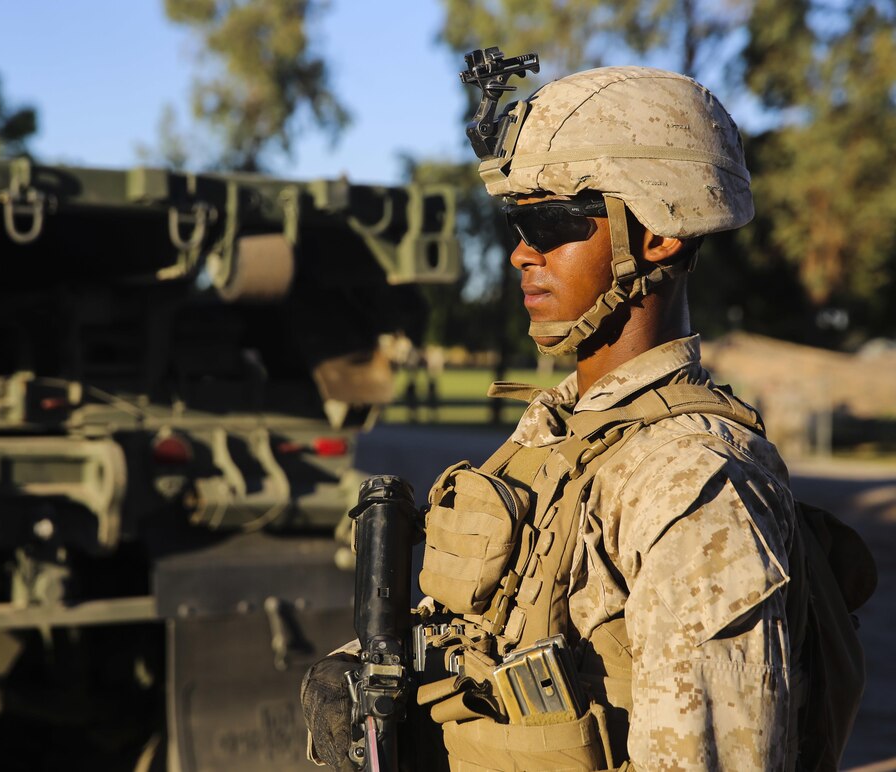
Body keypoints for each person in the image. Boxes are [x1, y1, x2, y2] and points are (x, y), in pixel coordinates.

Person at [304, 65, 802, 770]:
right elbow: (489, 639)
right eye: (518, 222)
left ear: (660, 233)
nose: (520, 252)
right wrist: (360, 669)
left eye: (552, 221)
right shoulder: (557, 433)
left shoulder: (693, 485)